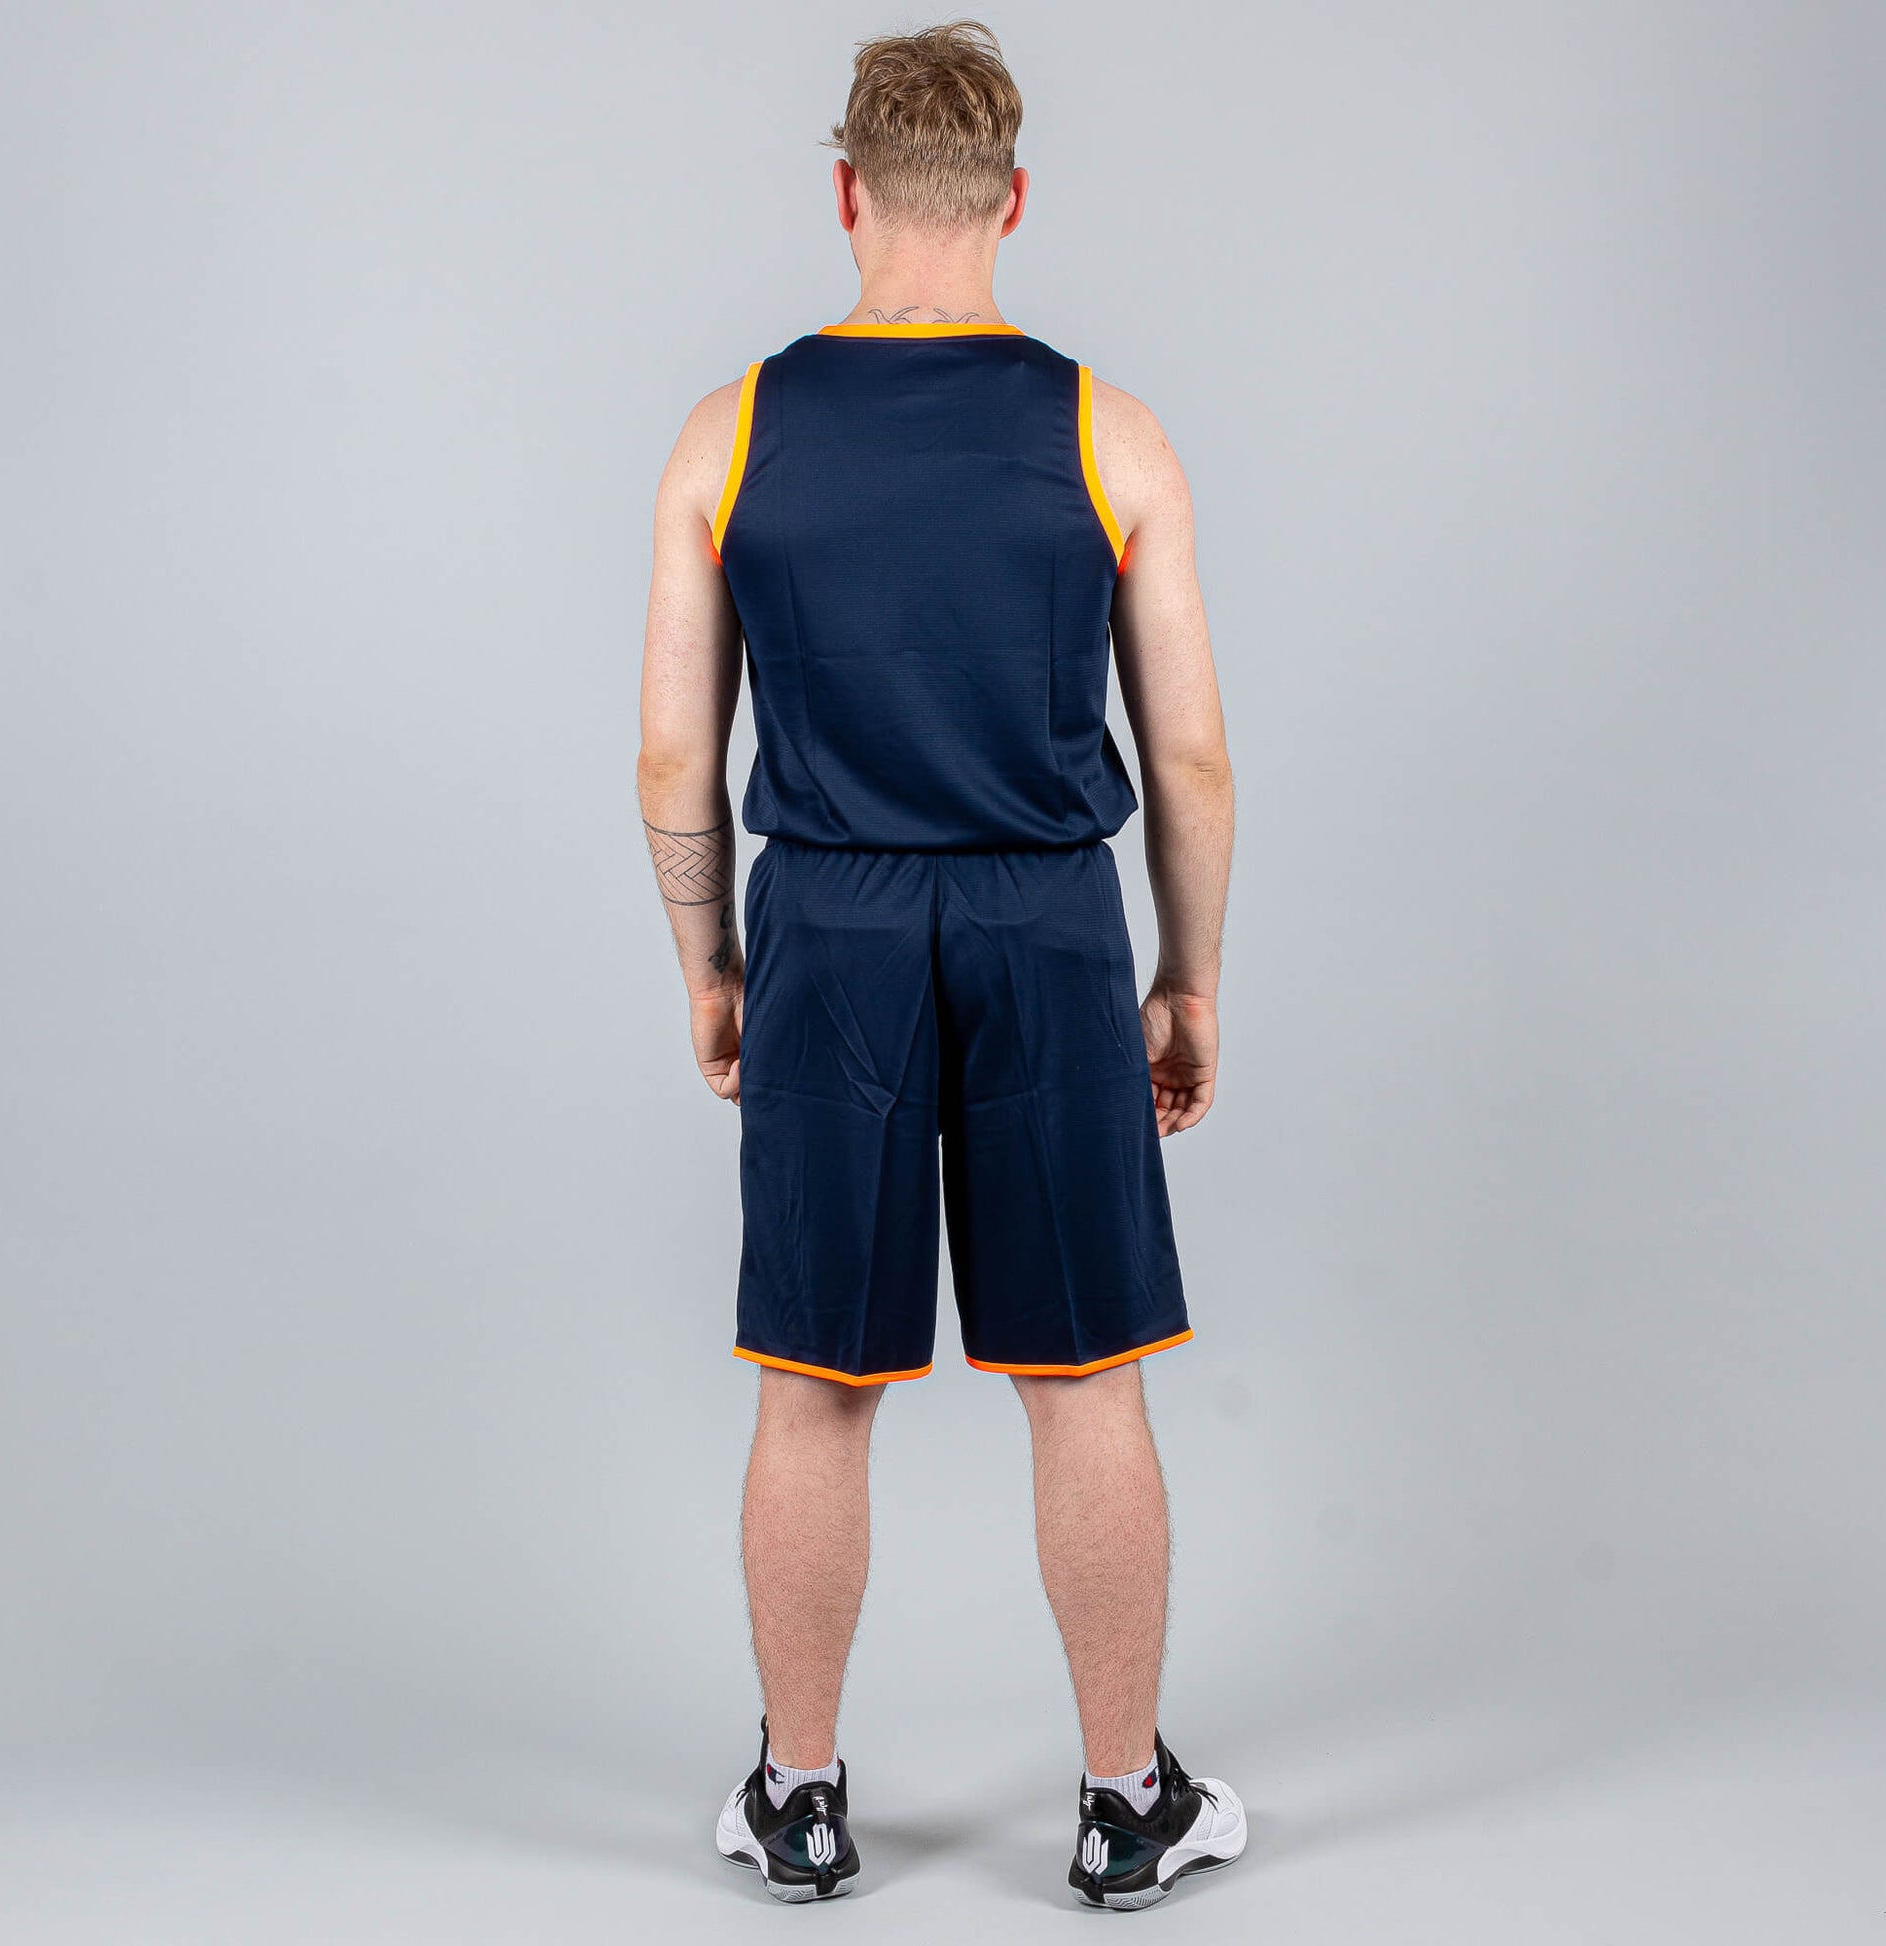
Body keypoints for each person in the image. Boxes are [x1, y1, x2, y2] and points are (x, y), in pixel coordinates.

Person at [637, 20, 1241, 1910]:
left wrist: (710, 961)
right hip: (1046, 923)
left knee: (816, 1383)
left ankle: (800, 1797)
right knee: (1085, 1379)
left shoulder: (729, 431)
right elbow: (1192, 760)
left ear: (846, 192)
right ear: (1010, 199)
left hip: (827, 920)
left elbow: (667, 756)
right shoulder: (1108, 431)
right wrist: (1186, 977)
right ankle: (1124, 1804)